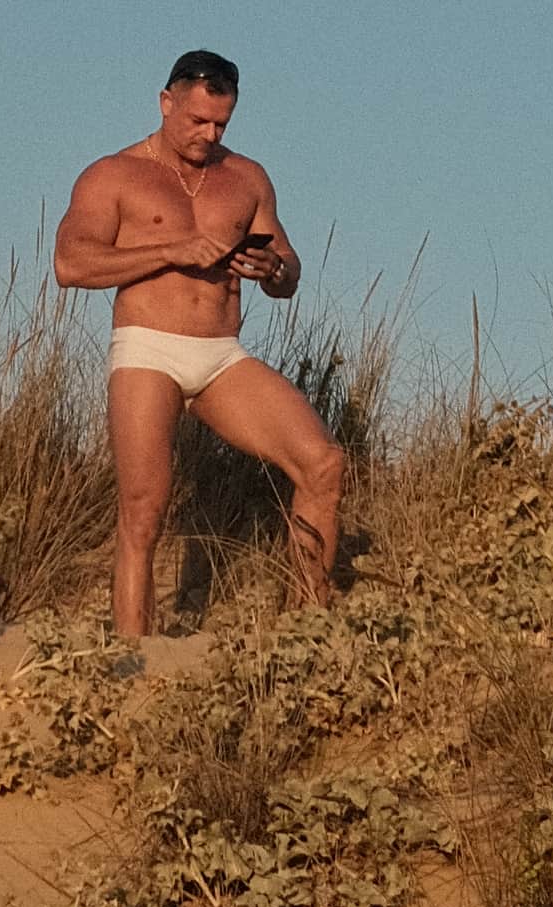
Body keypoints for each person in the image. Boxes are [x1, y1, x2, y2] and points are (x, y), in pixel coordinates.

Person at [52, 50, 345, 644]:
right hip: (147, 351)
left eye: (221, 125)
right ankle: (133, 661)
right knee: (145, 506)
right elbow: (70, 263)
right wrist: (171, 252)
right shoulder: (113, 173)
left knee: (323, 463)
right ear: (166, 103)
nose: (209, 136)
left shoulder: (247, 177)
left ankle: (306, 634)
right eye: (197, 122)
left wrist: (271, 268)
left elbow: (288, 275)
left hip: (220, 355)